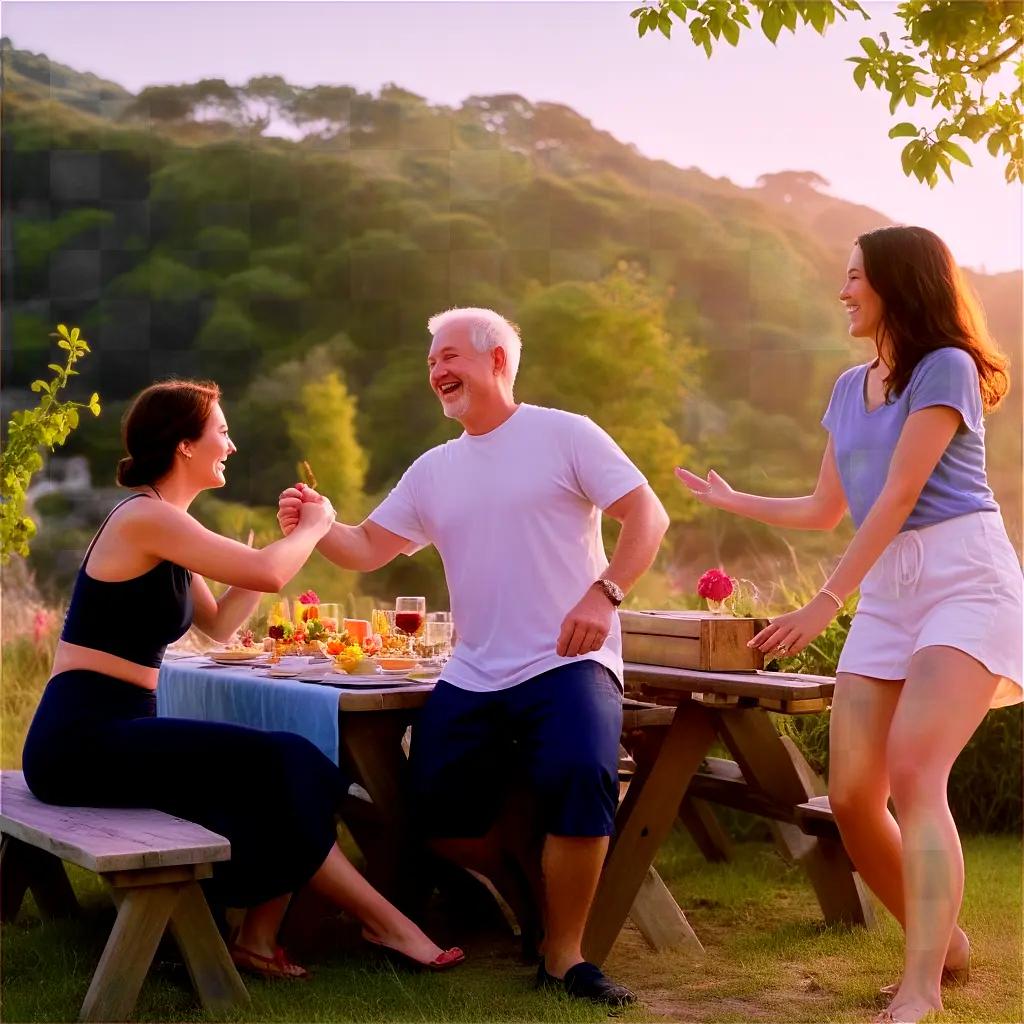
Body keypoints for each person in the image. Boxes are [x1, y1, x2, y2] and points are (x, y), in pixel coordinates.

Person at [675, 226, 1021, 1024]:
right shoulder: (845, 387)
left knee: (914, 773)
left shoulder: (946, 368)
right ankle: (948, 942)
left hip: (964, 577)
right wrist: (736, 501)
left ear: (898, 283)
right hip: (891, 591)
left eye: (855, 277)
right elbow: (828, 508)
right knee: (853, 795)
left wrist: (824, 602)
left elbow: (901, 493)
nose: (843, 291)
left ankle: (921, 987)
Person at [279, 307, 669, 1005]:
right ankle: (520, 887)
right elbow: (367, 547)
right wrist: (318, 524)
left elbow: (649, 515)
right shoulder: (435, 469)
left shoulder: (564, 434)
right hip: (474, 671)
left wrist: (604, 594)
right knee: (428, 811)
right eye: (431, 362)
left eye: (450, 356)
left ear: (497, 362)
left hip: (568, 660)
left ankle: (565, 955)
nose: (437, 372)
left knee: (581, 773)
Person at [22, 379, 463, 981]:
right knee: (288, 759)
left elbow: (220, 627)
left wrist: (267, 556)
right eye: (221, 432)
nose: (231, 445)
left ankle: (262, 934)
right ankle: (385, 921)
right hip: (81, 738)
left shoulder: (167, 522)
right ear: (184, 447)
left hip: (119, 729)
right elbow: (267, 574)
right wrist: (315, 527)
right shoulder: (145, 519)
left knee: (283, 768)